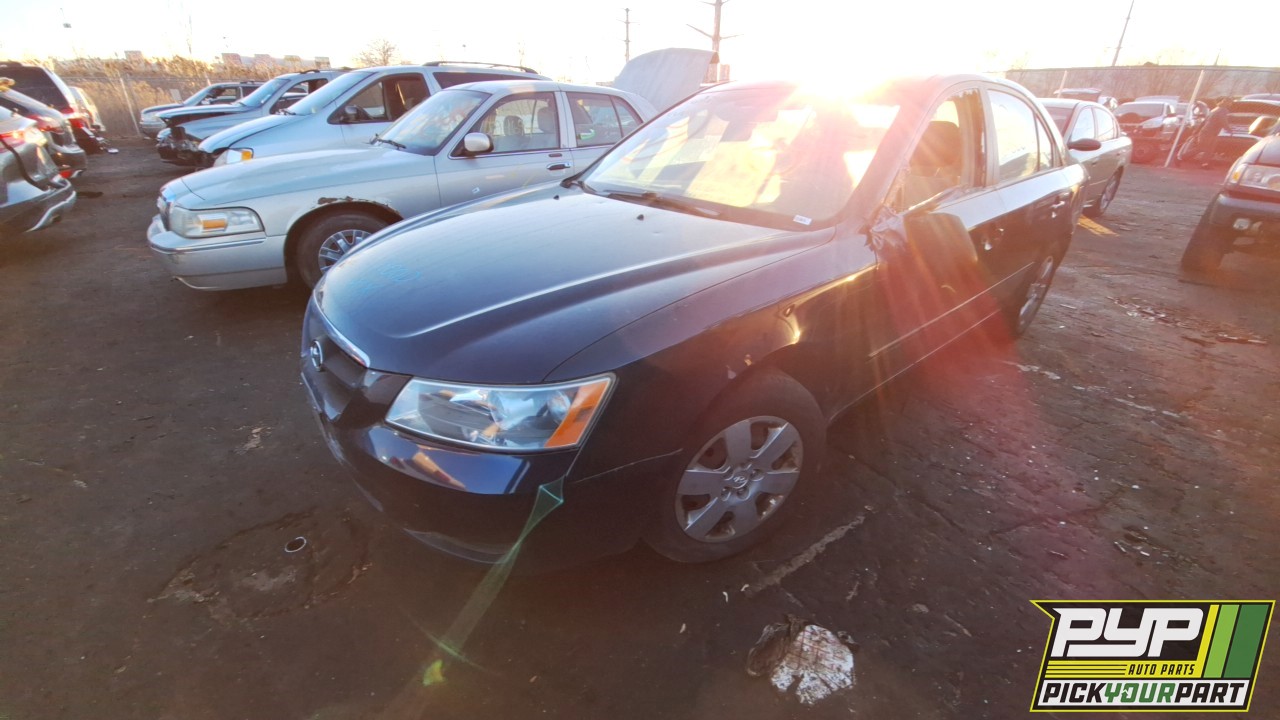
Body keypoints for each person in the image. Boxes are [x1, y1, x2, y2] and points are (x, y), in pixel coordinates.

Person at [1194, 101, 1230, 167]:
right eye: (1230, 102)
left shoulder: (1215, 109)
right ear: (1227, 103)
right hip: (1210, 132)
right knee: (1202, 148)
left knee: (1209, 149)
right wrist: (1228, 129)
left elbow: (1206, 120)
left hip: (1208, 131)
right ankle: (1181, 157)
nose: (1230, 104)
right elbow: (1223, 120)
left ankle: (1204, 164)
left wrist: (1197, 130)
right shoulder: (1222, 110)